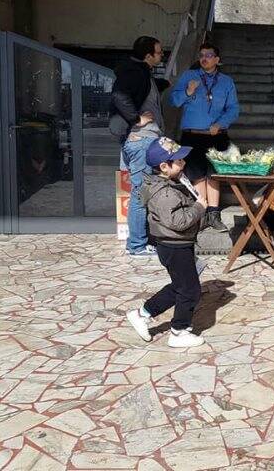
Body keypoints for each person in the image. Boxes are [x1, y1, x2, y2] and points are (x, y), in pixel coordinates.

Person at [125, 137, 207, 348]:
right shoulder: (164, 193)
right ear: (163, 166)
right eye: (178, 161)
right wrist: (199, 208)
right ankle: (179, 331)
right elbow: (178, 221)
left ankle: (142, 313)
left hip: (178, 244)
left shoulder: (172, 182)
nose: (183, 163)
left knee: (181, 286)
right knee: (190, 290)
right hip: (173, 245)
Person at [170, 43, 240, 232]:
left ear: (217, 60)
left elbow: (233, 109)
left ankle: (214, 215)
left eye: (209, 55)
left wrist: (221, 123)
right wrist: (188, 92)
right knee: (197, 175)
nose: (204, 58)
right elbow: (174, 101)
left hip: (217, 135)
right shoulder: (188, 77)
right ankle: (201, 213)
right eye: (202, 55)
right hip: (192, 136)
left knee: (213, 175)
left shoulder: (226, 82)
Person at [109, 36, 164, 257]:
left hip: (138, 140)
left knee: (139, 191)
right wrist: (136, 118)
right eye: (159, 53)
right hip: (140, 139)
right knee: (140, 193)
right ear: (148, 55)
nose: (161, 56)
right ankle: (137, 245)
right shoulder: (135, 72)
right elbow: (119, 95)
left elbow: (141, 91)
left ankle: (139, 242)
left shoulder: (140, 72)